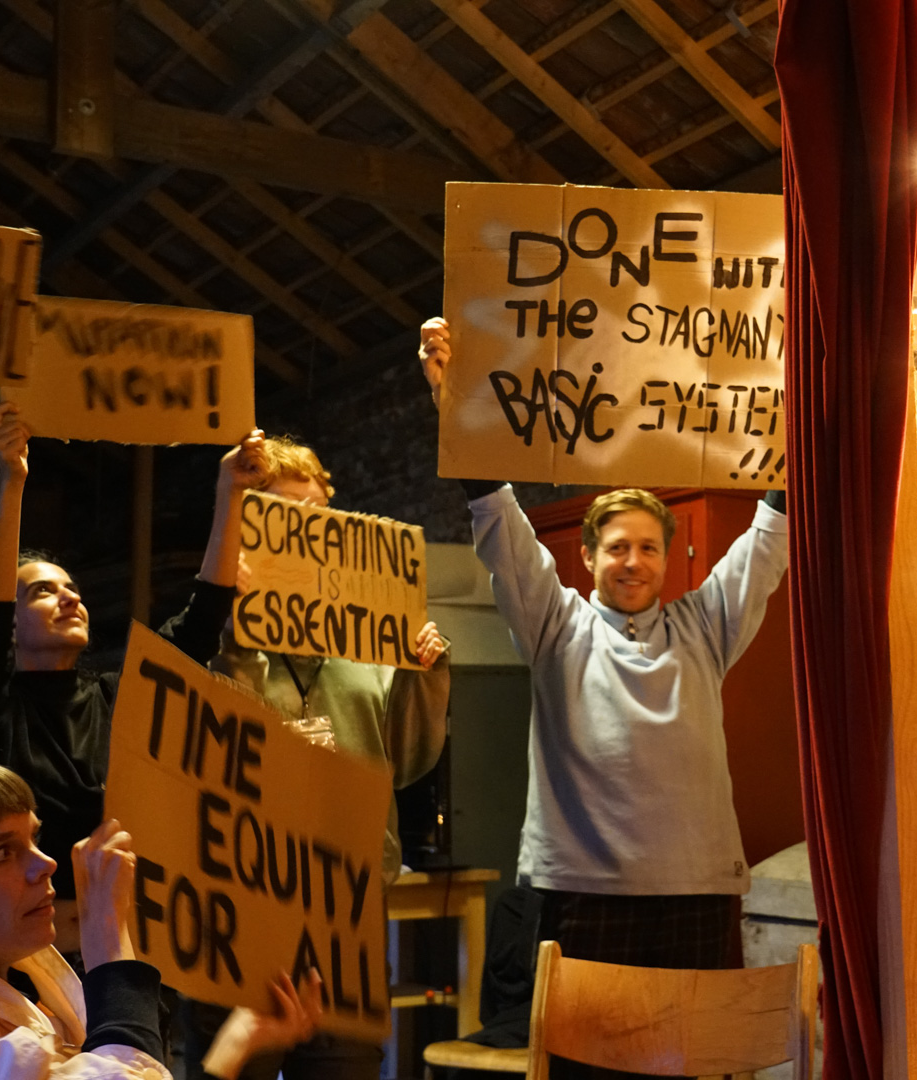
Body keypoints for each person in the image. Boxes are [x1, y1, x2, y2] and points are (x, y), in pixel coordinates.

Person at [418, 319, 789, 1009]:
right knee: (583, 1060)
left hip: (697, 892)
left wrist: (798, 415)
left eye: (649, 548)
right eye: (617, 547)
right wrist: (456, 404)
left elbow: (768, 543)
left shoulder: (704, 627)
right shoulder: (556, 625)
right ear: (587, 556)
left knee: (696, 1057)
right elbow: (500, 522)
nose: (633, 562)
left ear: (670, 558)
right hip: (581, 894)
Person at [0, 404, 265, 955]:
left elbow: (200, 624)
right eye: (43, 592)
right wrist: (12, 480)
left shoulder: (120, 697)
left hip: (128, 954)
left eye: (73, 589)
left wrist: (230, 491)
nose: (70, 597)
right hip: (23, 964)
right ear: (11, 626)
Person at [0, 754, 321, 1079]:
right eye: (1, 853)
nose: (46, 864)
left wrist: (239, 1039)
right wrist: (109, 948)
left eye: (34, 839)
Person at [202, 433, 450, 1080]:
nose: (308, 529)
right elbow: (217, 751)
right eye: (287, 515)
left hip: (351, 905)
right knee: (245, 1066)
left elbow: (407, 761)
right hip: (251, 898)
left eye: (318, 514)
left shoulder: (369, 637)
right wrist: (239, 644)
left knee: (349, 1067)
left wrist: (424, 676)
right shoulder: (220, 629)